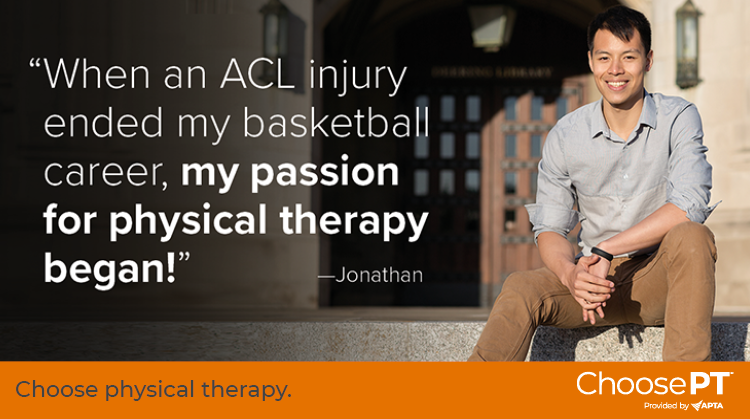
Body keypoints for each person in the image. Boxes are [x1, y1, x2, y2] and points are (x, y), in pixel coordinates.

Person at [468, 5, 718, 362]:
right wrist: (571, 276)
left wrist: (607, 248)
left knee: (693, 236)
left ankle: (685, 399)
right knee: (521, 285)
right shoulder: (566, 135)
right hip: (592, 286)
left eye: (628, 57)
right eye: (604, 58)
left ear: (647, 60)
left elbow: (688, 207)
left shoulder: (678, 117)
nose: (615, 70)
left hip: (658, 278)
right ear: (590, 61)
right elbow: (550, 227)